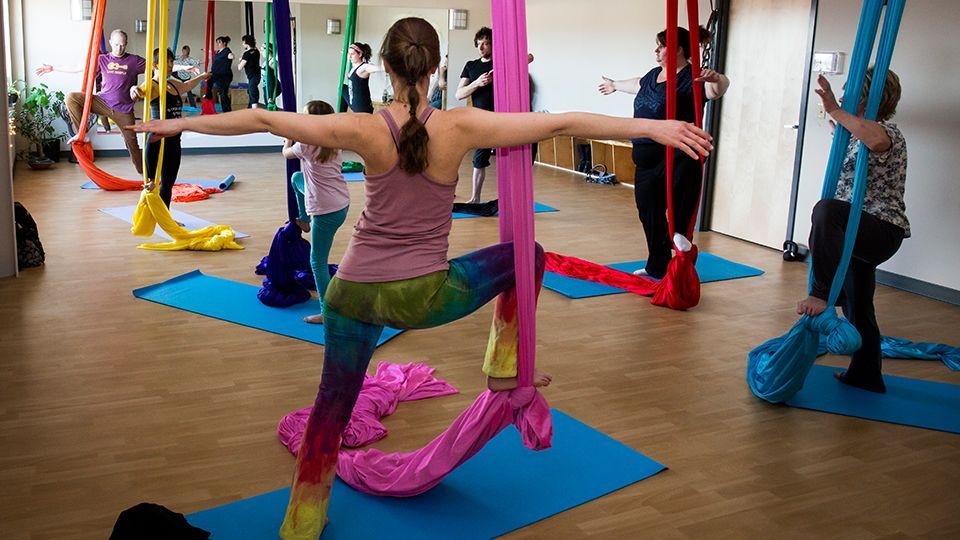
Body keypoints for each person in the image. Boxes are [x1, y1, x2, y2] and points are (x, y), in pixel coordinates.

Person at [133, 17, 711, 539]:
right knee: (527, 254)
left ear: (384, 66)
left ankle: (302, 523)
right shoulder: (459, 126)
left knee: (330, 414)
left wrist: (170, 124)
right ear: (436, 66)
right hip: (426, 296)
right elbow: (558, 119)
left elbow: (259, 116)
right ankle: (504, 369)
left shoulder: (363, 127)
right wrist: (658, 128)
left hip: (349, 295)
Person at [796, 69, 908, 394]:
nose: (842, 96)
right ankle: (866, 374)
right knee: (859, 307)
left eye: (851, 91)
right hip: (856, 233)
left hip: (880, 230)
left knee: (826, 211)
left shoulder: (887, 132)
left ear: (872, 97)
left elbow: (875, 140)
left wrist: (833, 110)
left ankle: (821, 291)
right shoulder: (857, 133)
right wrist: (839, 125)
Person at [599, 26, 729, 279]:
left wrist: (717, 79)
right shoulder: (652, 75)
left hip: (678, 153)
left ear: (678, 49)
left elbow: (717, 89)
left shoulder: (693, 77)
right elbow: (635, 84)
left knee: (682, 191)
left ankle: (680, 235)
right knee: (648, 211)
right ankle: (657, 265)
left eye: (661, 46)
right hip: (645, 156)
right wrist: (614, 84)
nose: (656, 50)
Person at [36, 29, 146, 174]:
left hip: (122, 109)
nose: (120, 48)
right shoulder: (102, 59)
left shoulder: (134, 61)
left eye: (123, 45)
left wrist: (181, 68)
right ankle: (83, 133)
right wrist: (54, 68)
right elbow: (77, 67)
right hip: (102, 101)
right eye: (117, 44)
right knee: (71, 98)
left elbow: (157, 68)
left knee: (132, 144)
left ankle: (144, 174)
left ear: (126, 44)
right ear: (110, 43)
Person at [282, 100, 351, 325]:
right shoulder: (334, 140)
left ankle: (327, 312)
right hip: (341, 203)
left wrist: (287, 138)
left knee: (317, 262)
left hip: (325, 210)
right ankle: (303, 218)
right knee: (296, 179)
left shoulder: (305, 146)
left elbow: (286, 153)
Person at [131, 48, 209, 208]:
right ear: (155, 65)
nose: (170, 65)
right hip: (158, 138)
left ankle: (165, 216)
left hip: (174, 139)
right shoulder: (152, 84)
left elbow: (187, 86)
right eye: (166, 62)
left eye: (172, 61)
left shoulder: (172, 84)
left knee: (168, 183)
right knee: (154, 182)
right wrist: (134, 90)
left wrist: (202, 76)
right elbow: (139, 91)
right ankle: (151, 182)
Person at [456, 27, 494, 203]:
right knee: (479, 160)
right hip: (482, 121)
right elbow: (459, 94)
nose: (481, 47)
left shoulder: (501, 63)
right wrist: (477, 83)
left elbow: (529, 57)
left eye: (486, 43)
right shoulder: (471, 65)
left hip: (504, 118)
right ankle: (475, 198)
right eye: (479, 44)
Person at [345, 42, 380, 113]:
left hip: (362, 108)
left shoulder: (363, 67)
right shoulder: (354, 67)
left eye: (352, 54)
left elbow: (374, 68)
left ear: (360, 54)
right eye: (349, 54)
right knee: (342, 88)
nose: (350, 56)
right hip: (354, 103)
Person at [209, 36, 234, 112]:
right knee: (212, 87)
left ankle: (227, 111)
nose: (218, 44)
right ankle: (209, 104)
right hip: (217, 75)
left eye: (219, 42)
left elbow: (231, 55)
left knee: (223, 93)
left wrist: (231, 56)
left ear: (224, 43)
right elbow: (214, 54)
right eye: (217, 42)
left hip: (225, 76)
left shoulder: (227, 50)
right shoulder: (218, 52)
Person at [238, 35, 261, 108]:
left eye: (243, 42)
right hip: (257, 75)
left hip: (252, 77)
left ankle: (255, 113)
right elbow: (253, 50)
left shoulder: (246, 54)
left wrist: (240, 60)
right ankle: (250, 110)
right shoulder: (256, 51)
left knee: (253, 93)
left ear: (246, 42)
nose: (242, 44)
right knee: (251, 92)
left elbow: (239, 67)